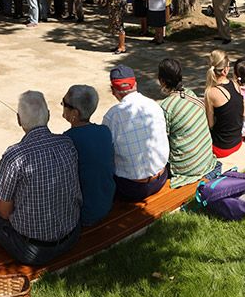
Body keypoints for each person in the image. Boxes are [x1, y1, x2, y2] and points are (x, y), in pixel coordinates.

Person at [0, 91, 81, 266]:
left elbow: (3, 212)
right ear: (48, 115)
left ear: (19, 119)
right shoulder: (67, 144)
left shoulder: (15, 156)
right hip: (71, 238)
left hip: (32, 251)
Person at [102, 65, 170, 201]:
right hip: (161, 179)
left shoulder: (112, 116)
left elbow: (106, 153)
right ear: (136, 84)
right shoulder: (154, 105)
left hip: (131, 188)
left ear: (113, 90)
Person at [155, 59, 218, 187]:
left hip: (187, 169)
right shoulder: (190, 94)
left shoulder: (166, 107)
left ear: (162, 81)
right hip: (205, 160)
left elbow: (161, 142)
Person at [60, 85, 115, 227]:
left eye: (64, 103)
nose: (62, 106)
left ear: (75, 113)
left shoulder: (67, 140)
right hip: (105, 202)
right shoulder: (104, 131)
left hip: (84, 213)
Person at [204, 50, 245, 159]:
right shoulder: (236, 85)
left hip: (221, 148)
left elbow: (210, 124)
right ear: (225, 70)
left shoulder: (211, 92)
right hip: (237, 141)